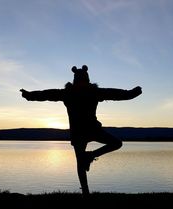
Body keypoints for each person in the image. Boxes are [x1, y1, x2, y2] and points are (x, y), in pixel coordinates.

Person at [20, 65, 142, 195]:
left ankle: (89, 161)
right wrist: (29, 95)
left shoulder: (76, 92)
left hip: (85, 130)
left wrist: (131, 94)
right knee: (92, 155)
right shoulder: (83, 92)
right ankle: (85, 189)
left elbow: (115, 94)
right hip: (87, 130)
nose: (83, 83)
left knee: (109, 147)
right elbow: (47, 94)